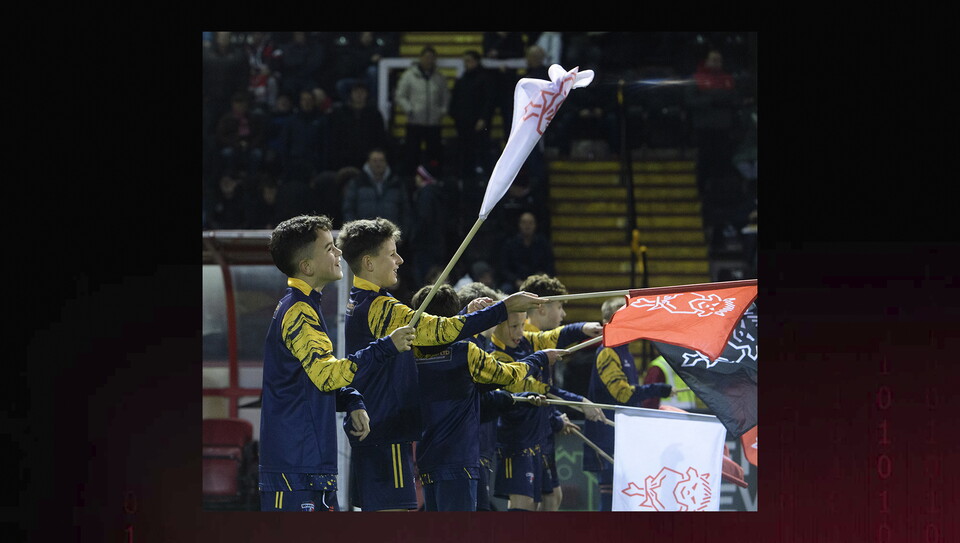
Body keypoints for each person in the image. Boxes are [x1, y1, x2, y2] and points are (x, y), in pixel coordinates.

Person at [335, 217, 546, 511]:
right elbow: (437, 332)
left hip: (380, 431)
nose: (400, 259)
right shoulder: (379, 306)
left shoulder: (360, 302)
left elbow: (434, 331)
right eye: (392, 253)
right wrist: (504, 308)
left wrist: (466, 314)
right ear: (369, 263)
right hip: (386, 433)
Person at [258, 214, 416, 512]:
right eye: (330, 248)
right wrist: (385, 347)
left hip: (309, 467)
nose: (339, 253)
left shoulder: (306, 306)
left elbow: (310, 380)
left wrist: (353, 399)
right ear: (307, 266)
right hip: (295, 470)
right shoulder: (298, 312)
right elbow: (327, 376)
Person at [409, 284, 562, 511]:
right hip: (460, 461)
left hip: (428, 459)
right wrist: (538, 358)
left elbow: (440, 334)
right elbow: (508, 374)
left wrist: (466, 315)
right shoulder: (466, 352)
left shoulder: (412, 352)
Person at [489, 303, 605, 511]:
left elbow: (551, 337)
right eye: (513, 327)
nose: (520, 333)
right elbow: (536, 388)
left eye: (522, 326)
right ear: (495, 325)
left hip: (540, 436)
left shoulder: (525, 341)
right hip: (517, 440)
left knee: (552, 498)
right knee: (524, 504)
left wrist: (582, 328)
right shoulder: (496, 357)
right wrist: (579, 403)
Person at [583, 297, 672, 511]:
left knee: (625, 497)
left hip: (622, 436)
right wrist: (658, 389)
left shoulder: (624, 352)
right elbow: (622, 394)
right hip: (606, 438)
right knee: (611, 498)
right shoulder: (607, 352)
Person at [393, 46, 449, 178]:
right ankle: (411, 180)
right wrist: (409, 109)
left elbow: (445, 96)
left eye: (431, 58)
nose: (429, 60)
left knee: (434, 156)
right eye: (426, 57)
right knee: (412, 155)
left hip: (433, 124)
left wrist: (441, 112)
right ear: (421, 58)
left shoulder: (439, 77)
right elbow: (400, 95)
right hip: (414, 123)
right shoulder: (409, 76)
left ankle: (433, 179)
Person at [341, 149, 412, 236]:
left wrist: (402, 234)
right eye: (374, 161)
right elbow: (349, 210)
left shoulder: (397, 184)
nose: (378, 164)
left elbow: (405, 211)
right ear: (368, 162)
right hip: (363, 237)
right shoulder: (357, 183)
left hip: (391, 236)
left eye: (381, 160)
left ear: (386, 162)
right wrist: (354, 233)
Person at [449, 50, 496, 179]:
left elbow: (489, 101)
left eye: (469, 60)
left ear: (476, 61)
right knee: (465, 156)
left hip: (478, 125)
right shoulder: (462, 80)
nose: (466, 64)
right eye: (465, 61)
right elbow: (455, 101)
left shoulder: (485, 79)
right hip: (463, 125)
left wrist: (483, 118)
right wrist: (455, 117)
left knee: (481, 154)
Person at [326, 82, 390, 172]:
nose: (359, 95)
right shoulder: (339, 114)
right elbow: (334, 137)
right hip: (344, 160)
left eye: (362, 92)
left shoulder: (374, 114)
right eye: (356, 92)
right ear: (351, 94)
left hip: (367, 160)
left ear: (367, 94)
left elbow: (380, 137)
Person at [407, 165, 447, 287]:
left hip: (425, 245)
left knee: (424, 279)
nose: (416, 179)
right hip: (437, 244)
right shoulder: (437, 192)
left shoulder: (426, 194)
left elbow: (424, 218)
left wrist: (414, 238)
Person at [498, 211, 556, 294]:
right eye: (524, 223)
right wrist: (516, 281)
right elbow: (503, 268)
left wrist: (540, 276)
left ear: (535, 225)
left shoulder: (543, 243)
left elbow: (550, 266)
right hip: (515, 283)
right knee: (505, 290)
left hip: (537, 282)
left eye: (530, 223)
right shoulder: (510, 244)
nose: (527, 226)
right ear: (519, 224)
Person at [215, 91, 267, 177]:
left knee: (257, 154)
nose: (240, 107)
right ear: (233, 105)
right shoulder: (226, 119)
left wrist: (250, 145)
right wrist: (235, 144)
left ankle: (252, 177)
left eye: (242, 104)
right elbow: (221, 135)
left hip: (250, 145)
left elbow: (259, 134)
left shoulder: (253, 118)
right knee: (227, 153)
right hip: (232, 145)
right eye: (237, 104)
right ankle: (230, 176)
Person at [279, 89, 328, 176]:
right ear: (300, 102)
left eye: (309, 100)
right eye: (304, 100)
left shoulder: (321, 120)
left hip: (313, 163)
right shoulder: (291, 121)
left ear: (314, 102)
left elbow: (324, 144)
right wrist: (285, 164)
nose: (306, 102)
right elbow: (285, 143)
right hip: (294, 161)